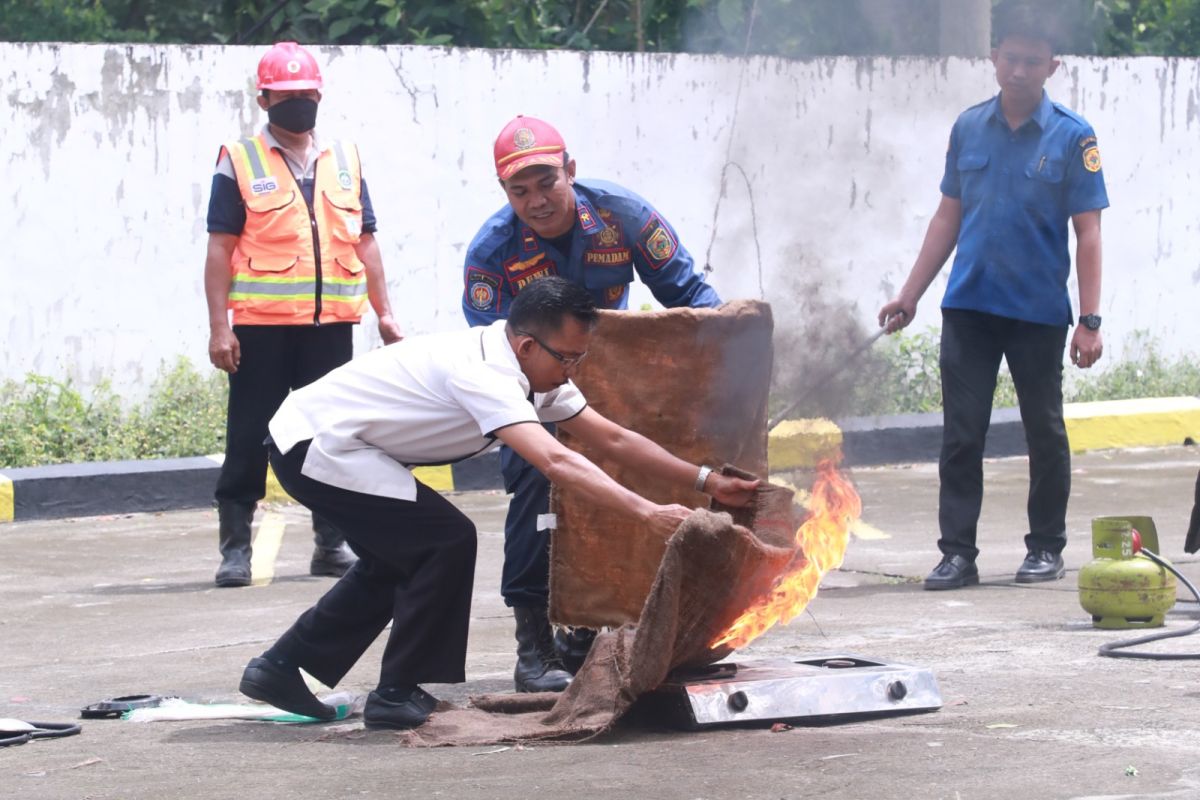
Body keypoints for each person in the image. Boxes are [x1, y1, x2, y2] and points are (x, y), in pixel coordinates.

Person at [237, 277, 759, 730]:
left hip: (340, 444)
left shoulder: (536, 372)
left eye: (581, 357)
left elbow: (613, 439)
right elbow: (555, 461)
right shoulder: (485, 372)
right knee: (444, 540)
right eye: (567, 358)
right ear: (528, 345)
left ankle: (280, 668)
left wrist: (707, 481)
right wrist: (647, 513)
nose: (573, 370)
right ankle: (395, 694)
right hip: (317, 443)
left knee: (400, 557)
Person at [461, 115, 723, 692]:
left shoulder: (624, 216)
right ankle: (534, 648)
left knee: (617, 495)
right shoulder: (492, 253)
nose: (536, 200)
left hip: (611, 386)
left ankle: (586, 635)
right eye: (519, 190)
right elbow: (492, 353)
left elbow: (691, 297)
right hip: (533, 395)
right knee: (537, 497)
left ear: (570, 171)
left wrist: (731, 356)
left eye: (546, 182)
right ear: (504, 192)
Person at [877, 2, 1108, 591]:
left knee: (1044, 432)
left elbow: (1088, 232)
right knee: (962, 435)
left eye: (1033, 61)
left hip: (1037, 313)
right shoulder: (968, 128)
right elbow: (947, 217)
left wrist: (1090, 319)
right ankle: (957, 554)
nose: (1020, 71)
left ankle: (1046, 547)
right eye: (1011, 58)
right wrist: (910, 294)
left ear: (1053, 66)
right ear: (993, 57)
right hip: (969, 308)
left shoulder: (1074, 136)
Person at [203, 41, 404, 588]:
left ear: (319, 96)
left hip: (331, 327)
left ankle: (330, 545)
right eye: (286, 95)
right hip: (261, 329)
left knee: (331, 437)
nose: (298, 103)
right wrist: (220, 327)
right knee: (249, 437)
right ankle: (236, 551)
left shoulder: (345, 160)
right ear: (264, 100)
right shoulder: (239, 160)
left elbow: (365, 243)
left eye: (306, 94)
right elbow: (220, 249)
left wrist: (385, 314)